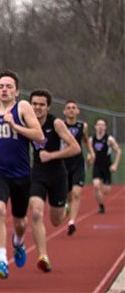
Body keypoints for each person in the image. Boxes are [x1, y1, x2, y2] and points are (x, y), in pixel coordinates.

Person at [0, 69, 43, 280]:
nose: (4, 90)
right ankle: (2, 261)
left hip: (21, 173)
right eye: (1, 87)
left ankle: (18, 242)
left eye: (9, 87)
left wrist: (14, 125)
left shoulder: (22, 108)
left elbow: (39, 135)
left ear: (16, 91)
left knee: (20, 222)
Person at [26, 90, 80, 273]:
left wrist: (52, 155)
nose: (37, 108)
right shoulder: (26, 122)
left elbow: (75, 148)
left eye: (41, 104)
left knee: (56, 221)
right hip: (37, 174)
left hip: (58, 175)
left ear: (48, 107)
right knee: (36, 213)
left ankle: (64, 208)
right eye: (34, 104)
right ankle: (43, 256)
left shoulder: (55, 123)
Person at [62, 99, 93, 235]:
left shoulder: (83, 126)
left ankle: (72, 222)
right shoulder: (60, 125)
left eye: (74, 107)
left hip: (78, 163)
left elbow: (86, 140)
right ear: (64, 111)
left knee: (76, 193)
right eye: (68, 108)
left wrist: (91, 153)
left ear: (78, 111)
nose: (71, 110)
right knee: (68, 195)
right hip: (63, 164)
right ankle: (67, 207)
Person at [88, 118, 121, 214]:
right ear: (95, 127)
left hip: (107, 167)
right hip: (97, 166)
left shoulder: (109, 139)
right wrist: (89, 158)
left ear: (105, 127)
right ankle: (101, 206)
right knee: (96, 186)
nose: (100, 126)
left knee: (106, 191)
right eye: (98, 124)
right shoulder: (91, 139)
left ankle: (103, 185)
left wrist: (115, 165)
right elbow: (90, 152)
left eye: (102, 125)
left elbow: (118, 151)